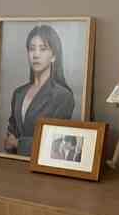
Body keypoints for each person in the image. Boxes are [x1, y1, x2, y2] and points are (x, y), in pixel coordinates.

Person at [4, 25, 75, 156]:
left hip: (43, 164)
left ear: (54, 56)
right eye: (32, 49)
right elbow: (10, 133)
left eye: (43, 49)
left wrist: (18, 143)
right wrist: (10, 143)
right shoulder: (18, 93)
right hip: (15, 161)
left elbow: (54, 143)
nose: (36, 55)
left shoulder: (63, 96)